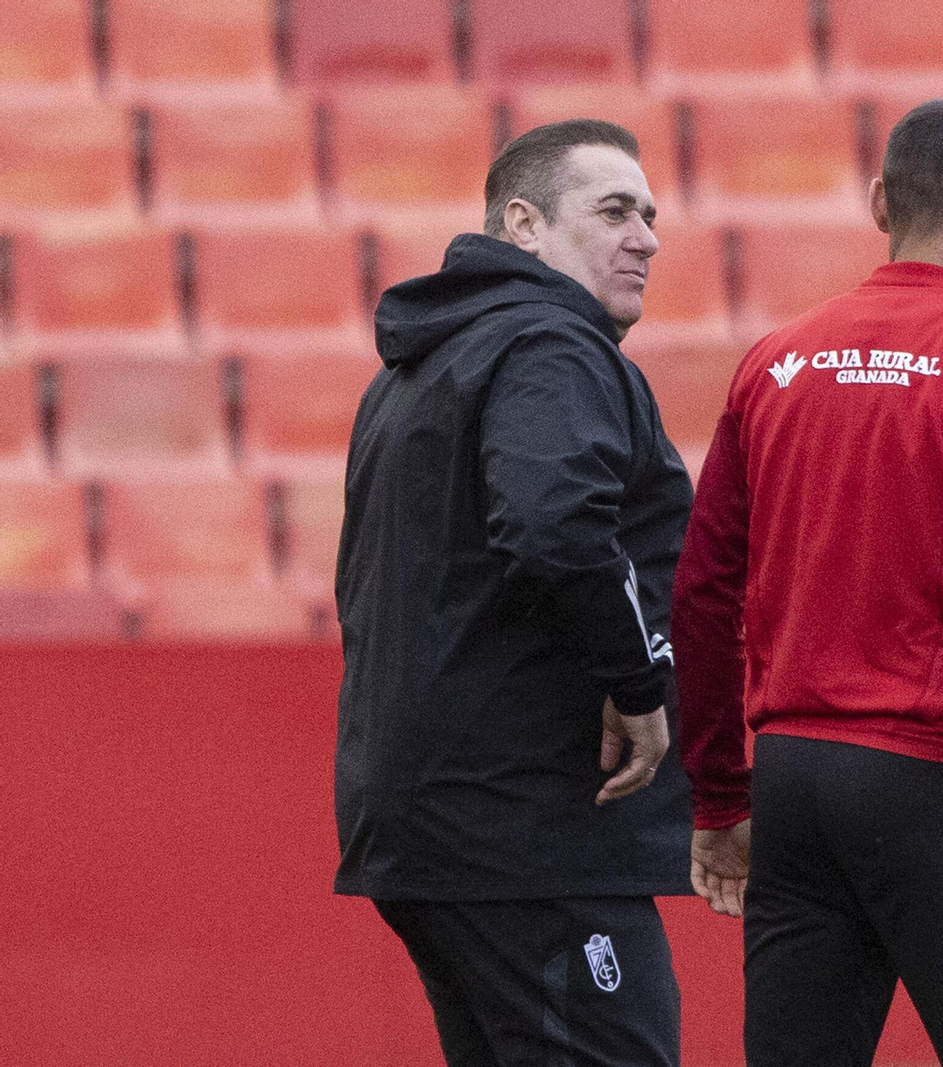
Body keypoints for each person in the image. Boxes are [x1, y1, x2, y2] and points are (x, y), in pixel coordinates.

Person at [672, 99, 943, 1066]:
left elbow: (703, 586)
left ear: (879, 202)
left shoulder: (776, 360)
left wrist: (718, 794)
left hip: (796, 776)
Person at [334, 119, 693, 1067]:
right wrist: (640, 684)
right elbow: (557, 526)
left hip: (434, 822)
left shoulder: (417, 368)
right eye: (614, 210)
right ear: (523, 225)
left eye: (650, 215)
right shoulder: (550, 347)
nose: (647, 237)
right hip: (529, 828)